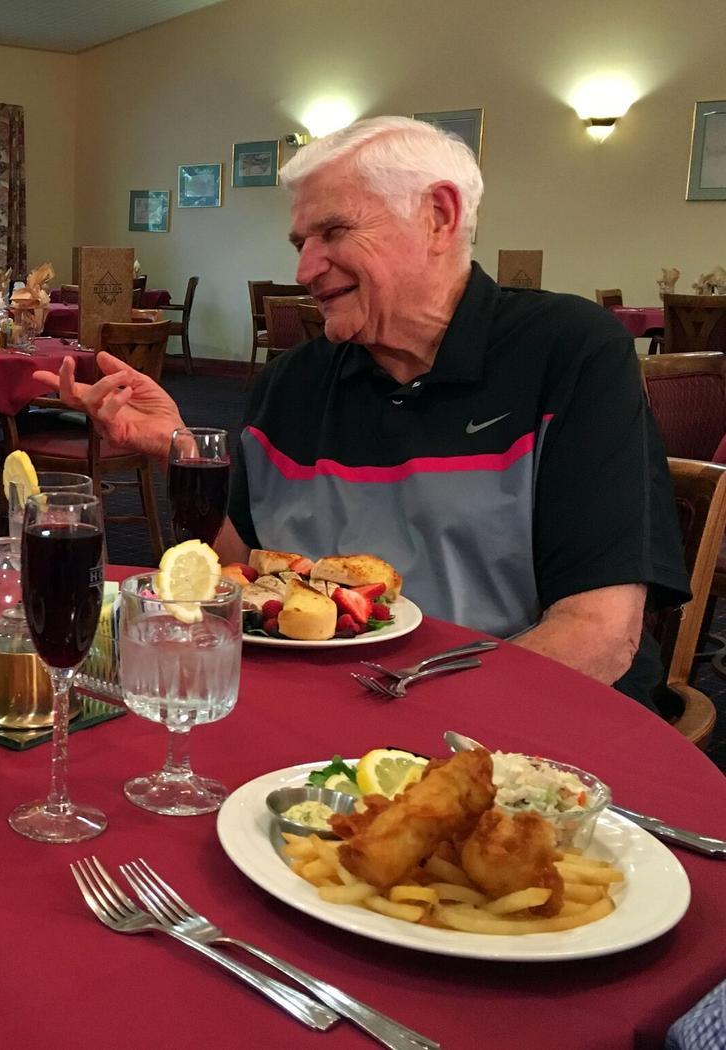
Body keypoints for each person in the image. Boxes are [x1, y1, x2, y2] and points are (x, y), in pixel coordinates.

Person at [37, 116, 688, 712]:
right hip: (329, 707)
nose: (304, 267)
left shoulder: (568, 351)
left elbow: (597, 636)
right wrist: (182, 447)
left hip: (522, 720)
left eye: (333, 232)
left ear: (438, 216)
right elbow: (246, 575)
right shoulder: (294, 380)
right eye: (300, 241)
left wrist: (419, 725)